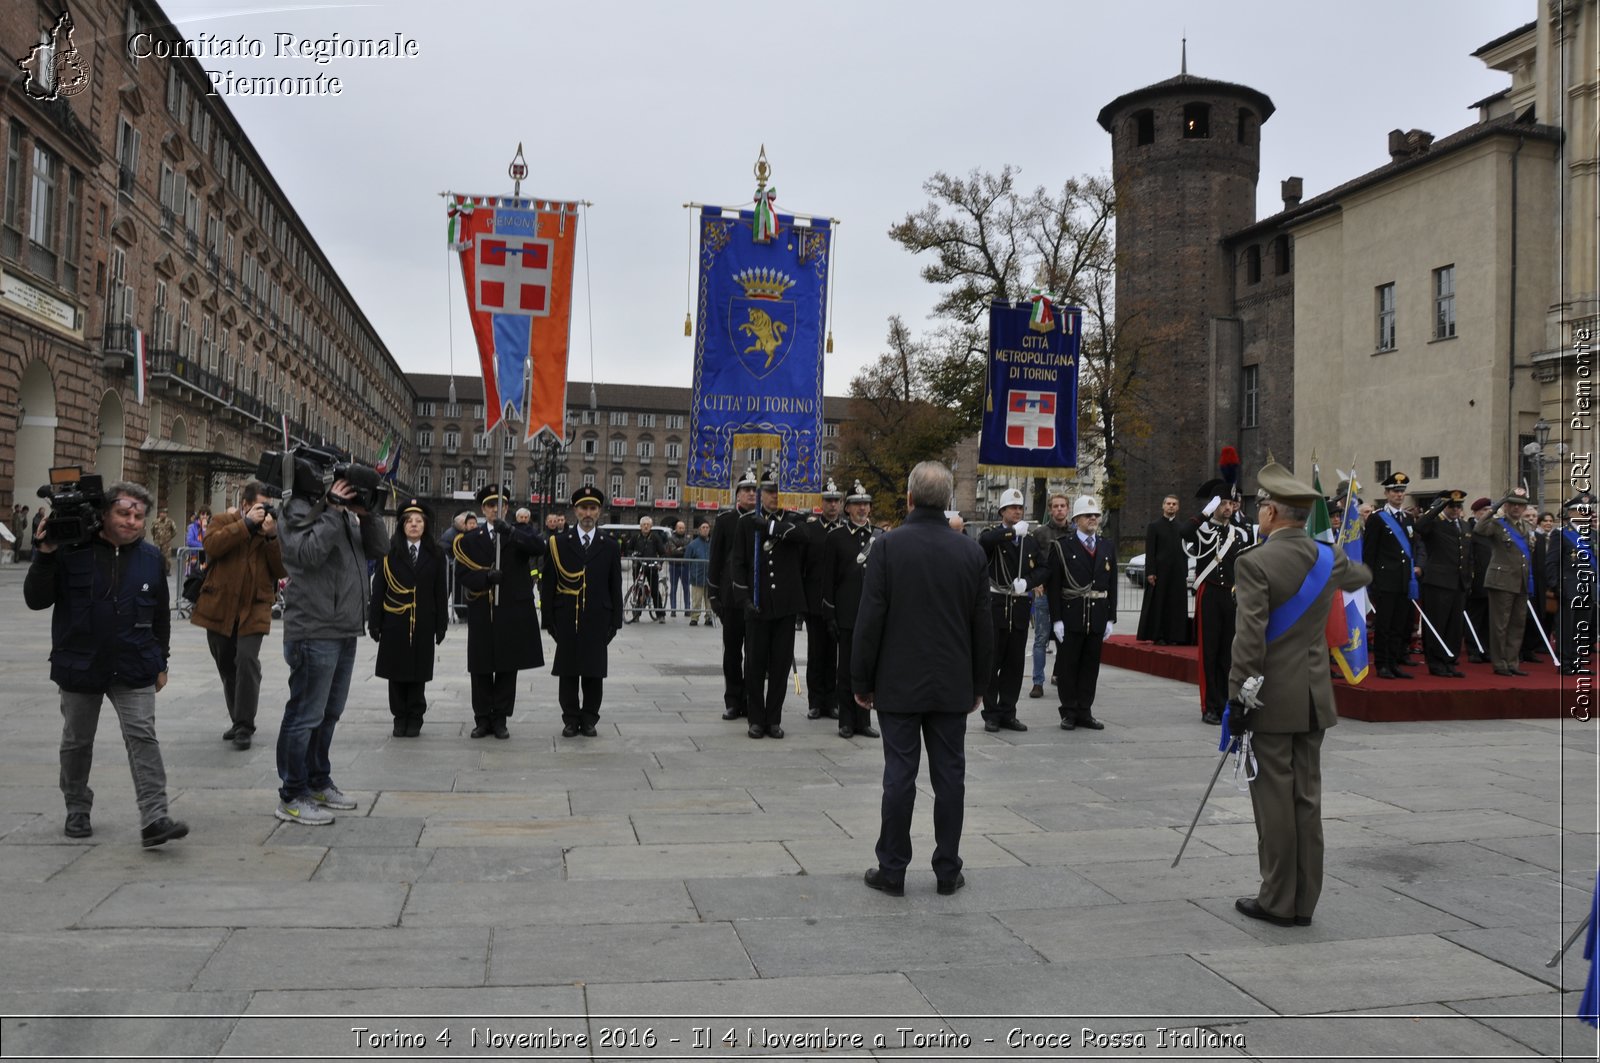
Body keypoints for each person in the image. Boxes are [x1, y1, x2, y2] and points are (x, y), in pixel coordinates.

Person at [1229, 460, 1371, 928]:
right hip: (1314, 699)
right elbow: (1362, 578)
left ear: (1271, 513)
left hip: (1270, 700)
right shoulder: (1329, 559)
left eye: (1261, 508)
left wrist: (1237, 698)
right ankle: (1304, 902)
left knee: (1274, 802)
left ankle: (1276, 899)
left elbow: (1250, 638)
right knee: (1307, 802)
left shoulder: (1254, 562)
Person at [24, 481, 189, 847]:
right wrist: (46, 554)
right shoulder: (70, 551)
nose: (132, 521)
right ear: (104, 513)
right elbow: (36, 600)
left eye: (138, 515)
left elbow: (161, 616)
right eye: (123, 512)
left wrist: (161, 660)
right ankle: (77, 807)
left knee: (143, 737)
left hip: (134, 664)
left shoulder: (150, 558)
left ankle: (155, 817)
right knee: (77, 742)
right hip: (80, 664)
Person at [853, 461, 991, 897]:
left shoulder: (888, 547)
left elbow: (869, 619)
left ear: (909, 498)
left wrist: (861, 680)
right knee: (950, 776)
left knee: (899, 775)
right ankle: (947, 869)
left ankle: (892, 868)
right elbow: (983, 627)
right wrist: (979, 684)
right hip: (952, 684)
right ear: (949, 501)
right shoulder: (970, 552)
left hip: (897, 682)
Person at [274, 471, 389, 825]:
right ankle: (292, 794)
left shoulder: (342, 515)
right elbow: (306, 554)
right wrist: (332, 510)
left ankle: (318, 779)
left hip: (344, 627)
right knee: (305, 714)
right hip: (313, 627)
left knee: (329, 712)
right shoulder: (297, 509)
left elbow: (380, 549)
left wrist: (366, 513)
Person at [191, 482, 286, 750]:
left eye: (268, 506)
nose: (265, 512)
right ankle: (237, 719)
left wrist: (270, 537)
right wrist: (245, 525)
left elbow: (280, 569)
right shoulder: (223, 521)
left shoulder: (272, 530)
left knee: (246, 660)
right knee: (226, 664)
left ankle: (245, 724)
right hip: (220, 605)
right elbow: (212, 546)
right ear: (245, 505)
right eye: (260, 506)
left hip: (254, 607)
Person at [453, 484, 545, 738]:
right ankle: (482, 718)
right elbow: (462, 573)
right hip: (483, 607)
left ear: (506, 507)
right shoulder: (471, 539)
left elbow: (540, 548)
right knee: (481, 664)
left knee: (507, 663)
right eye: (490, 505)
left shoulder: (518, 533)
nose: (495, 509)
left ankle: (501, 717)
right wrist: (484, 578)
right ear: (483, 509)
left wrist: (512, 532)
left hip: (511, 607)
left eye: (500, 505)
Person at [728, 467, 808, 738]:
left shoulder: (794, 519)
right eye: (770, 491)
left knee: (780, 665)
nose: (774, 496)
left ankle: (774, 718)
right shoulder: (746, 522)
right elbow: (737, 564)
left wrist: (771, 527)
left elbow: (803, 537)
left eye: (777, 491)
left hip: (784, 605)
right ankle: (755, 718)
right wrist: (744, 598)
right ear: (761, 493)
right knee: (754, 664)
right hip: (757, 604)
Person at [541, 486, 624, 736]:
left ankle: (589, 718)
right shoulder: (558, 543)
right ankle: (570, 717)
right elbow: (548, 583)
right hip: (566, 615)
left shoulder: (608, 545)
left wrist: (615, 621)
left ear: (599, 512)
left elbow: (615, 585)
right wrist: (548, 619)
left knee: (593, 671)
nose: (588, 513)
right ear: (575, 511)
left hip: (598, 616)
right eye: (583, 508)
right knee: (568, 671)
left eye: (593, 508)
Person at [369, 497, 449, 737]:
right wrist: (374, 621)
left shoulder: (435, 554)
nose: (414, 525)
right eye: (409, 521)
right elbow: (379, 589)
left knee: (418, 672)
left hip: (423, 621)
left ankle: (415, 716)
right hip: (395, 621)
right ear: (402, 525)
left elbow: (440, 591)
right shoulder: (389, 553)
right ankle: (399, 716)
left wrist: (441, 624)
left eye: (419, 521)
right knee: (396, 671)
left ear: (425, 526)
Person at [977, 487, 1047, 733]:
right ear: (1002, 511)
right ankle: (991, 713)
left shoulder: (1029, 539)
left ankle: (1009, 711)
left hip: (1018, 606)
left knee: (1014, 665)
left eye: (1020, 508)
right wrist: (1009, 534)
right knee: (992, 662)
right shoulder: (994, 535)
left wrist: (1027, 582)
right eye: (1012, 508)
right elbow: (984, 543)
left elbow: (1042, 567)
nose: (1017, 512)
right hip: (997, 607)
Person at [1182, 480, 1252, 724]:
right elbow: (1184, 533)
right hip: (1209, 594)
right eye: (1222, 503)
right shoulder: (1202, 529)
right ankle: (1209, 705)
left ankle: (1224, 701)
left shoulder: (1240, 533)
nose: (1227, 508)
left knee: (1227, 653)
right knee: (1209, 652)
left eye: (1230, 504)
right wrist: (1204, 513)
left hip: (1231, 596)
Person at [1045, 495, 1117, 731]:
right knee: (1068, 667)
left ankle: (1085, 710)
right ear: (1076, 519)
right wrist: (1056, 619)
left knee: (1090, 668)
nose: (1093, 519)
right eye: (1088, 515)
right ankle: (1069, 711)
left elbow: (1112, 583)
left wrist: (1110, 617)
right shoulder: (1063, 547)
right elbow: (1054, 586)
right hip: (1072, 615)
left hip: (1096, 616)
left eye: (1095, 515)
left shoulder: (1106, 546)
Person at [822, 480, 882, 739]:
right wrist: (829, 613)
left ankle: (863, 720)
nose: (862, 509)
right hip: (846, 614)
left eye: (865, 504)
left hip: (872, 615)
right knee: (845, 670)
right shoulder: (836, 537)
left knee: (868, 668)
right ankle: (846, 720)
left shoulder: (879, 537)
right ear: (846, 509)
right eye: (857, 504)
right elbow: (828, 579)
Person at [708, 469, 759, 719]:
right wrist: (713, 594)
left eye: (754, 490)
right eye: (746, 490)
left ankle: (751, 698)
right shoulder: (726, 520)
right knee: (732, 652)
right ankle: (732, 699)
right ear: (737, 495)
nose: (751, 493)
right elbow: (715, 558)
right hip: (730, 596)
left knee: (754, 653)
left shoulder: (762, 520)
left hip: (756, 596)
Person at [1473, 486, 1536, 677]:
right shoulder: (1498, 524)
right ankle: (1500, 663)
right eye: (1513, 504)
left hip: (1521, 581)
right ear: (1507, 505)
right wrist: (1494, 508)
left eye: (1520, 506)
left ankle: (1512, 662)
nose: (1517, 509)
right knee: (1500, 624)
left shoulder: (1526, 527)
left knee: (1517, 624)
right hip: (1501, 581)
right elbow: (1479, 528)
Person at [1362, 472, 1419, 679]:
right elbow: (1369, 552)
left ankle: (1394, 662)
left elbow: (1411, 548)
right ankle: (1382, 664)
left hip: (1404, 580)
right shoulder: (1378, 519)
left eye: (1402, 491)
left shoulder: (1408, 518)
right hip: (1385, 581)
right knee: (1384, 626)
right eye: (1395, 491)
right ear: (1386, 493)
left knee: (1399, 625)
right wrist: (1371, 581)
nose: (1399, 495)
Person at [802, 480, 846, 720]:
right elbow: (804, 568)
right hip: (816, 602)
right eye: (828, 501)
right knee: (816, 653)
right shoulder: (811, 530)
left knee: (834, 655)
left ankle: (832, 701)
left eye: (835, 501)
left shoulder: (844, 531)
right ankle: (816, 701)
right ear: (822, 504)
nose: (832, 505)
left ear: (840, 504)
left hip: (839, 603)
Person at [1415, 490, 1471, 677]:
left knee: (1454, 626)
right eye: (1451, 506)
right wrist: (1439, 505)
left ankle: (1450, 660)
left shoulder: (1463, 525)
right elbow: (1420, 526)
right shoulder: (1435, 524)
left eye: (1458, 506)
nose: (1455, 509)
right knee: (1437, 624)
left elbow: (1467, 555)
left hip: (1458, 583)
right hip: (1438, 583)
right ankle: (1436, 662)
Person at [1547, 492, 1597, 676]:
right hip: (1570, 588)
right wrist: (1556, 585)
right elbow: (1551, 563)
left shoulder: (1593, 535)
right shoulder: (1561, 534)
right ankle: (1565, 662)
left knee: (1582, 627)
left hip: (1588, 588)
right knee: (1567, 627)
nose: (1587, 513)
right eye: (1583, 510)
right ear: (1572, 513)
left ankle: (1577, 661)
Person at [1029, 493, 1074, 699]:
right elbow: (1031, 561)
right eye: (1055, 506)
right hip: (1045, 592)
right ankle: (1038, 681)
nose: (1059, 510)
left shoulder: (1075, 532)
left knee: (1065, 638)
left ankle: (1059, 673)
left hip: (1068, 594)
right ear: (1049, 510)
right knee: (1040, 639)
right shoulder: (1040, 533)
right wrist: (1035, 582)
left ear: (1068, 509)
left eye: (1062, 506)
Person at [1137, 493, 1189, 646]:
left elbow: (1185, 552)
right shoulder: (1154, 526)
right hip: (1160, 573)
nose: (1171, 506)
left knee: (1176, 605)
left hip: (1178, 573)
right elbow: (1150, 551)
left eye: (1174, 504)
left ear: (1178, 507)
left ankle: (1175, 636)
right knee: (1160, 604)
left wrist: (1185, 572)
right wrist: (1150, 572)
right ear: (1163, 506)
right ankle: (1158, 635)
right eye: (1168, 504)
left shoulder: (1182, 528)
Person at [1465, 496, 1494, 663]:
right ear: (1475, 512)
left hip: (1492, 580)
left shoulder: (1492, 530)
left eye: (1489, 511)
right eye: (1483, 511)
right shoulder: (1470, 530)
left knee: (1488, 619)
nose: (1486, 514)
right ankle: (1474, 649)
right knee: (1475, 617)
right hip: (1477, 580)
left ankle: (1486, 649)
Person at [631, 515, 668, 622]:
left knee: (655, 591)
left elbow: (662, 553)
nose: (646, 526)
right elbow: (628, 550)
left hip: (652, 567)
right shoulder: (635, 537)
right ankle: (636, 614)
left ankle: (660, 614)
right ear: (640, 526)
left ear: (651, 526)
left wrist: (659, 564)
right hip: (638, 567)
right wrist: (633, 555)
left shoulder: (655, 538)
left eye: (648, 525)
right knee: (638, 591)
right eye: (644, 525)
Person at [685, 520, 713, 626]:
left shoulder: (712, 543)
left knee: (709, 600)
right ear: (699, 530)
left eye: (707, 527)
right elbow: (687, 559)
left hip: (710, 576)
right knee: (697, 599)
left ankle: (709, 617)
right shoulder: (693, 544)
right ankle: (695, 618)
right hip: (697, 576)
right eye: (703, 527)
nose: (705, 529)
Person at [666, 519, 692, 618]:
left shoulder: (688, 538)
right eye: (680, 528)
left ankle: (687, 609)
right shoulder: (671, 538)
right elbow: (673, 551)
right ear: (676, 528)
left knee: (686, 588)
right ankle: (673, 609)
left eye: (683, 528)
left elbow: (689, 550)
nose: (681, 529)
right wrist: (683, 549)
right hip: (674, 565)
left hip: (685, 566)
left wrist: (680, 548)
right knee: (673, 588)